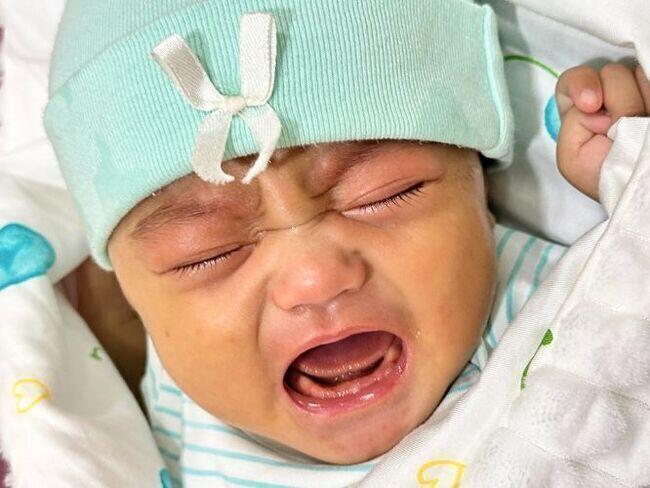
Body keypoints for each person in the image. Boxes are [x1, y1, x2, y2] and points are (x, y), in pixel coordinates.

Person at [45, 0, 650, 483]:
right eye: (208, 252)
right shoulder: (129, 409)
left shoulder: (563, 309)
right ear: (135, 299)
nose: (314, 277)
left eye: (382, 194)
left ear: (479, 186)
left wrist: (630, 184)